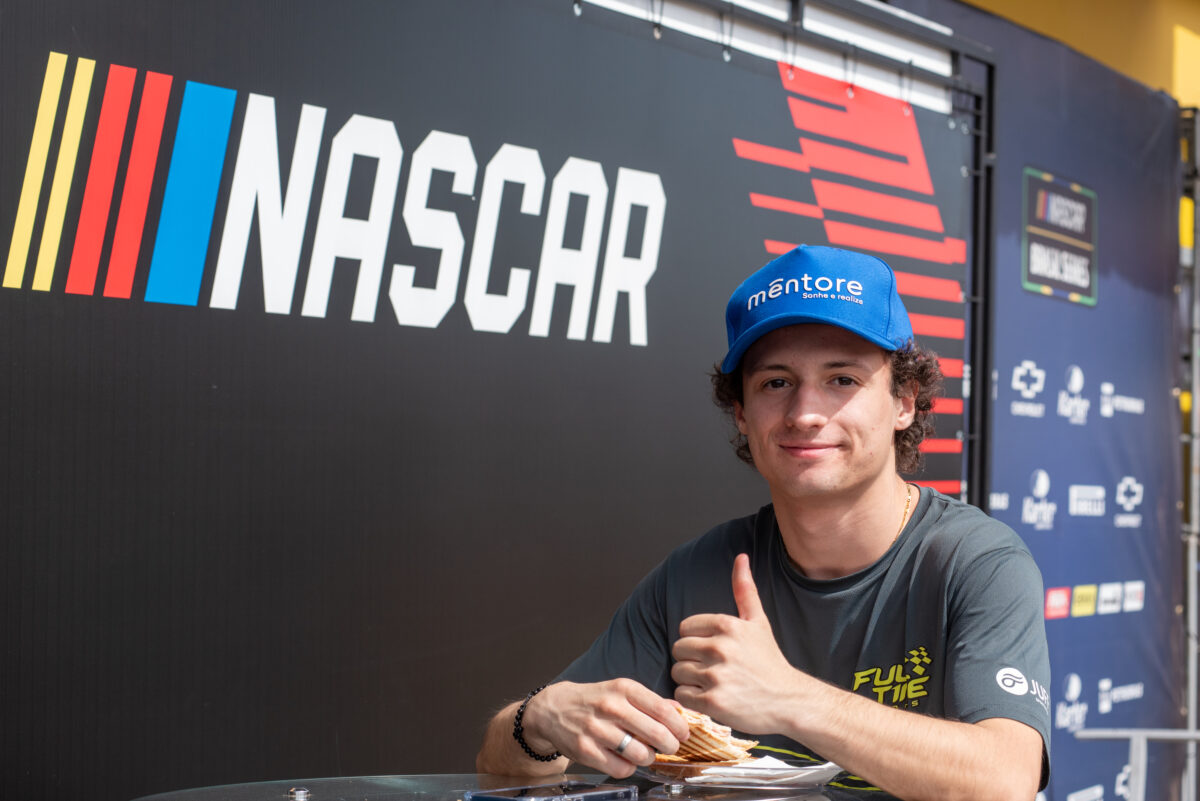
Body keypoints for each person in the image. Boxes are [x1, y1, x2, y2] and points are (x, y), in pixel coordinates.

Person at [476, 245, 1050, 801]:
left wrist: (790, 698)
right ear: (742, 414)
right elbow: (500, 764)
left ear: (904, 401)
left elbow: (1005, 781)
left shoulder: (975, 561)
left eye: (842, 380)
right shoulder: (699, 573)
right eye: (776, 382)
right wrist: (539, 720)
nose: (805, 413)